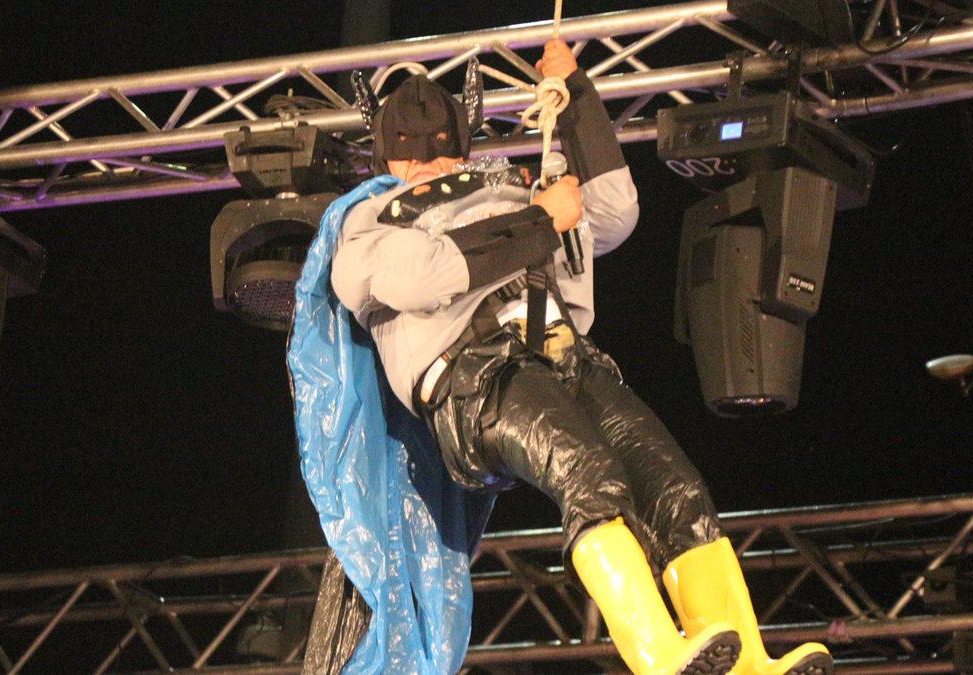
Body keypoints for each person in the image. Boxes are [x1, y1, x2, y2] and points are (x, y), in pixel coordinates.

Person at [299, 39, 833, 675]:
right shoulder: (368, 221)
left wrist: (576, 96)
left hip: (566, 359)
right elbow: (417, 278)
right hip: (476, 383)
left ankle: (749, 664)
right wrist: (537, 224)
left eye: (442, 148)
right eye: (416, 152)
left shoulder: (512, 191)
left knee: (675, 488)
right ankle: (659, 657)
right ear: (389, 153)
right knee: (590, 476)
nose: (432, 163)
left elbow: (613, 213)